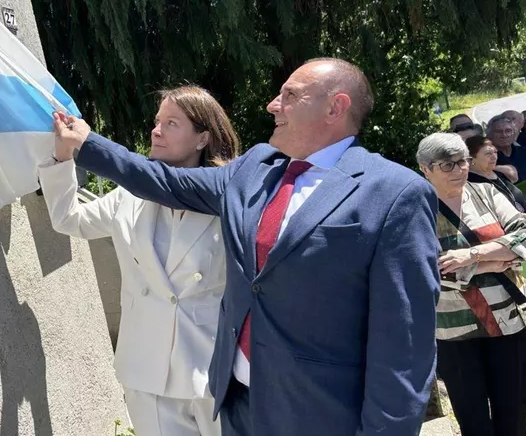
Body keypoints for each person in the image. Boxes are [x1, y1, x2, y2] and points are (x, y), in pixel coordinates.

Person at [52, 58, 440, 436]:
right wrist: (86, 143)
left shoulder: (394, 193)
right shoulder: (256, 168)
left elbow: (404, 345)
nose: (273, 105)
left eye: (290, 95)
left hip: (320, 412)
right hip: (237, 404)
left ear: (335, 107)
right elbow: (165, 182)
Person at [40, 86, 240, 436]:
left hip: (212, 368)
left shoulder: (230, 200)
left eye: (172, 123)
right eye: (157, 121)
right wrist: (61, 157)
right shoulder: (128, 197)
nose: (156, 131)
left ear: (202, 138)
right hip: (146, 368)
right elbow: (68, 219)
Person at [416, 132, 526, 436]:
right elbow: (423, 268)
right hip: (452, 326)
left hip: (506, 318)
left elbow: (523, 234)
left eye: (463, 161)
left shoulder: (487, 193)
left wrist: (471, 256)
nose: (459, 169)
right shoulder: (415, 208)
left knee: (514, 405)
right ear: (426, 168)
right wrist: (494, 261)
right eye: (447, 164)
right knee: (470, 410)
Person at [465, 135, 526, 211]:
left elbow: (513, 175)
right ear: (471, 158)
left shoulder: (498, 173)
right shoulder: (472, 183)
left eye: (495, 152)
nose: (494, 157)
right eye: (488, 153)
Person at [488, 113, 526, 183]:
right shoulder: (485, 159)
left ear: (514, 133)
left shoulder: (523, 152)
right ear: (489, 135)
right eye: (498, 131)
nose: (504, 135)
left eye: (508, 131)